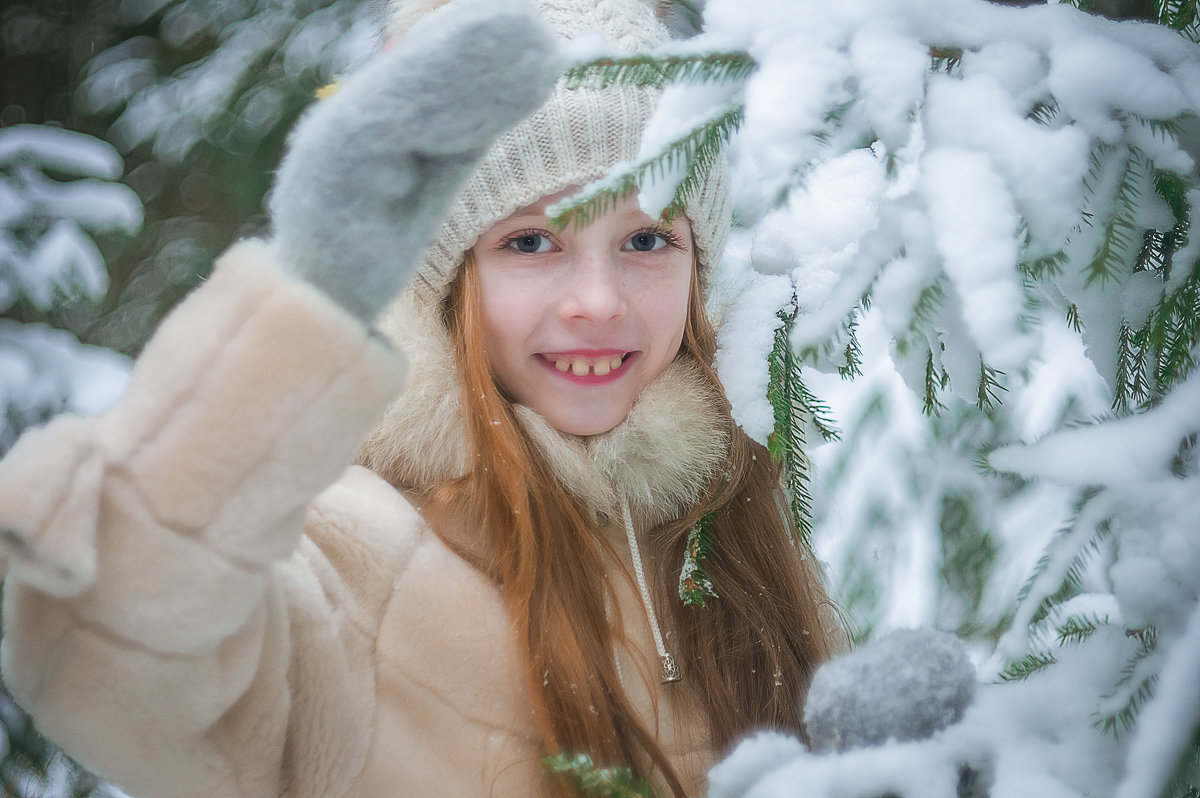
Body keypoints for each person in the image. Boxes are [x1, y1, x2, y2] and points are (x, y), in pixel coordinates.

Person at [0, 1, 840, 796]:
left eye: (648, 237)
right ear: (447, 279)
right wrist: (310, 301)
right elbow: (100, 645)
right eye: (530, 240)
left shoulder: (737, 531)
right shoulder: (348, 555)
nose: (599, 301)